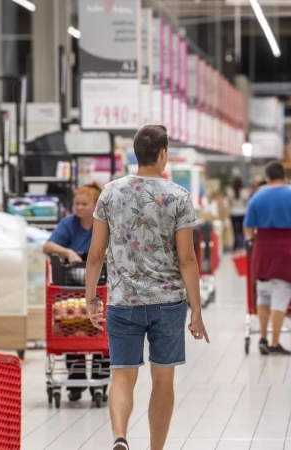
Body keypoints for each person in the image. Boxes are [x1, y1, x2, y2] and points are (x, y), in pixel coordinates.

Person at [84, 125, 209, 450]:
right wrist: (196, 309)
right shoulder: (178, 196)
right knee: (163, 378)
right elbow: (187, 259)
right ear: (163, 154)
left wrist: (90, 297)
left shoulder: (110, 192)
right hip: (168, 303)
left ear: (135, 154)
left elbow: (96, 253)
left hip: (123, 300)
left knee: (122, 376)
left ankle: (120, 437)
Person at [43, 182, 107, 402]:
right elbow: (48, 246)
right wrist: (68, 252)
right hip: (70, 291)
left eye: (84, 204)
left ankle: (100, 380)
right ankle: (76, 379)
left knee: (101, 331)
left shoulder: (105, 224)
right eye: (76, 203)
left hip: (101, 290)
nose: (79, 208)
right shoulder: (69, 224)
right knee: (74, 328)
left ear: (96, 205)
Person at [245, 162, 291, 356]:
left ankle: (263, 337)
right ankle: (275, 342)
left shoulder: (257, 197)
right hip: (287, 248)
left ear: (267, 176)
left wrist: (252, 241)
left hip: (263, 249)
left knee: (263, 294)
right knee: (281, 295)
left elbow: (248, 228)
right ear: (284, 175)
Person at [227, 178, 250, 250]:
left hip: (233, 212)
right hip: (242, 212)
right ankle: (242, 244)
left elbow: (229, 202)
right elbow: (246, 203)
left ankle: (235, 245)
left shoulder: (230, 192)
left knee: (235, 230)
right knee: (241, 230)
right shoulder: (244, 192)